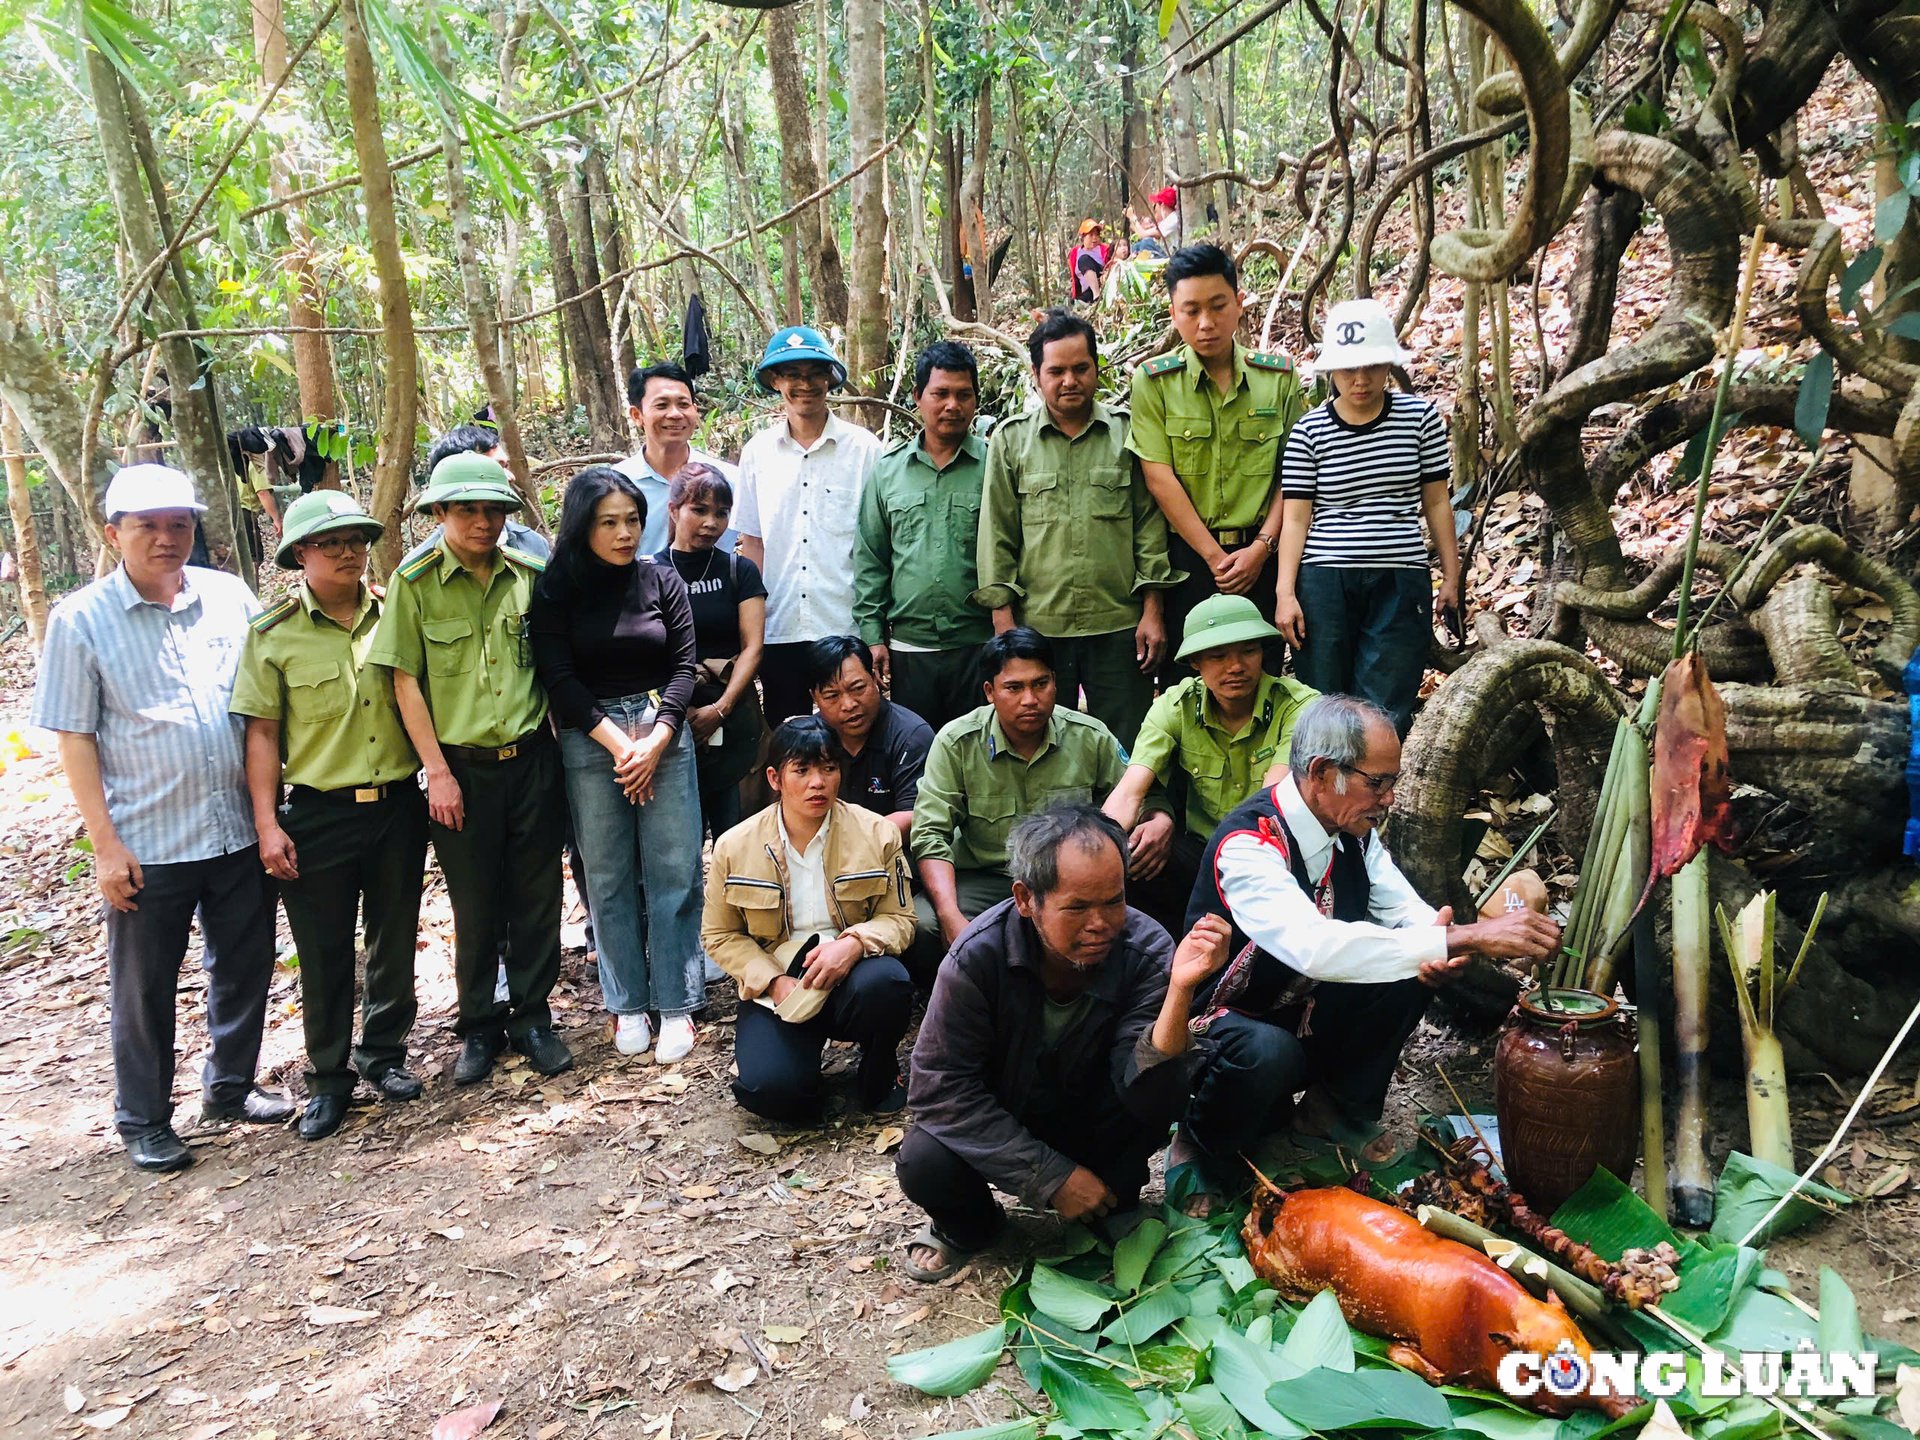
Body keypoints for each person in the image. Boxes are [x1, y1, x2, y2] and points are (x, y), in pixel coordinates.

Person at [1172, 695, 1562, 1202]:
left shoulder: (1352, 830)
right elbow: (1313, 947)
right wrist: (1464, 935)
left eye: (1392, 782)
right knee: (1267, 1051)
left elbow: (1401, 906)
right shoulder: (1248, 844)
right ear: (1320, 772)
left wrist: (1438, 941)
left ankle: (1328, 1112)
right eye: (1377, 782)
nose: (1389, 798)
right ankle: (1200, 1144)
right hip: (1227, 1025)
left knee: (1413, 964)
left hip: (1304, 1005)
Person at [31, 465, 293, 1173]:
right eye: (147, 525)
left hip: (238, 825)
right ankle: (144, 1117)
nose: (166, 538)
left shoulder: (228, 596)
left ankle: (230, 1087)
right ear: (113, 533)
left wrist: (270, 815)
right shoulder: (81, 620)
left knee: (244, 964)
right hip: (149, 839)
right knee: (145, 987)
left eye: (178, 523)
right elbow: (75, 738)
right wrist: (105, 847)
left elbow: (264, 698)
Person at [897, 805, 1233, 1280]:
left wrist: (1180, 991)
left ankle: (1113, 1203)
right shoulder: (978, 956)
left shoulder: (1147, 949)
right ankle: (971, 1227)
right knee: (923, 1159)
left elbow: (1153, 1096)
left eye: (1113, 902)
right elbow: (939, 1089)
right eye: (1076, 908)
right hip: (1007, 1114)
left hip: (1091, 1112)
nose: (1100, 924)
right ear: (1025, 899)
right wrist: (1049, 1175)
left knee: (1155, 1084)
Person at [368, 451, 573, 1086]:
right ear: (439, 513)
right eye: (467, 511)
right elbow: (405, 682)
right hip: (462, 769)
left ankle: (533, 1018)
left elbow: (557, 662)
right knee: (476, 902)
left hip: (534, 756)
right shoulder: (415, 580)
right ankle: (479, 1026)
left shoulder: (531, 571)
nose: (483, 523)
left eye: (494, 510)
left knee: (539, 894)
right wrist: (438, 771)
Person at [230, 491, 428, 1141]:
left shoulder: (394, 615)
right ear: (300, 555)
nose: (346, 552)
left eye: (355, 540)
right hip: (318, 814)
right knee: (323, 953)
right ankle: (328, 1079)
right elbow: (261, 735)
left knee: (393, 940)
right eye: (329, 542)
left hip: (397, 805)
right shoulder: (274, 635)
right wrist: (267, 823)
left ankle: (384, 1056)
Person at [531, 466, 706, 1064]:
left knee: (675, 868)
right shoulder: (556, 588)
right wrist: (617, 744)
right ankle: (627, 1002)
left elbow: (686, 666)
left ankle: (678, 1003)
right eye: (609, 522)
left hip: (664, 730)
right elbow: (558, 677)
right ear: (583, 526)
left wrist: (657, 739)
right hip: (591, 737)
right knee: (606, 875)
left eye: (632, 520)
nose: (625, 533)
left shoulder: (661, 578)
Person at [974, 310, 1181, 748]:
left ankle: (1131, 819)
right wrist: (1004, 624)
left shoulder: (1127, 434)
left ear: (1097, 368)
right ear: (1036, 374)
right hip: (1039, 628)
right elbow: (997, 536)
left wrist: (1153, 609)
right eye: (1057, 371)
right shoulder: (1011, 441)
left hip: (1120, 626)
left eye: (1080, 368)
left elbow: (1149, 526)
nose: (1070, 380)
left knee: (1129, 744)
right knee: (1044, 745)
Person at [701, 716, 917, 1122]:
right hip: (781, 981)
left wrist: (853, 944)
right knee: (773, 1095)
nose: (817, 782)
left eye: (828, 768)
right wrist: (772, 981)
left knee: (888, 983)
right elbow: (719, 933)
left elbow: (901, 918)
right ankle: (800, 1071)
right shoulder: (735, 846)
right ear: (775, 777)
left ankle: (880, 1063)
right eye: (801, 770)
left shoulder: (876, 833)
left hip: (853, 974)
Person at [1276, 297, 1459, 735]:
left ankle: (1375, 798)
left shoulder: (1420, 418)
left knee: (1386, 701)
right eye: (1348, 369)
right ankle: (1323, 798)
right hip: (1325, 578)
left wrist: (1451, 575)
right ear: (1331, 370)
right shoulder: (1309, 431)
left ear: (1389, 365)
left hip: (1398, 574)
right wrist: (1286, 593)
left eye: (1373, 367)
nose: (1360, 380)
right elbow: (1297, 517)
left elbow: (1435, 500)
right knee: (1323, 700)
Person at [910, 628, 1156, 950]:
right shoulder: (957, 743)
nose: (1030, 699)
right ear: (990, 691)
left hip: (1070, 879)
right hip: (989, 877)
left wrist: (1158, 817)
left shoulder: (1089, 737)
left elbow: (1140, 794)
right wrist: (949, 915)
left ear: (1055, 682)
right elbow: (929, 833)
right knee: (924, 923)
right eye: (1013, 687)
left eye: (1040, 684)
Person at [1127, 243, 1306, 671]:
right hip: (1188, 563)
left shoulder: (1277, 378)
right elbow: (1159, 479)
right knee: (1188, 687)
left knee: (1260, 683)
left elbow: (1296, 473)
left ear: (1240, 304)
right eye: (1191, 311)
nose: (1206, 323)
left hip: (1264, 560)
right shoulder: (1154, 382)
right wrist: (1214, 558)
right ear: (1173, 313)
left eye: (1218, 306)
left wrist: (1262, 548)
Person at [1102, 594, 1318, 934]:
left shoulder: (1298, 707)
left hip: (1275, 854)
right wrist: (1100, 853)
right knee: (1130, 858)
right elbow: (1129, 791)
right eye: (1218, 656)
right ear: (1195, 663)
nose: (1235, 666)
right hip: (1203, 856)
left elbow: (1270, 806)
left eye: (1248, 651)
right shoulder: (1176, 706)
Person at [736, 326, 882, 724]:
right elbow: (753, 544)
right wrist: (752, 629)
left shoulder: (864, 449)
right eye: (792, 374)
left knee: (853, 729)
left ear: (829, 378)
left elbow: (878, 544)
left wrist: (876, 629)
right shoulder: (757, 453)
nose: (805, 384)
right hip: (780, 626)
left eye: (814, 373)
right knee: (790, 736)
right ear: (775, 381)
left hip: (844, 622)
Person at [853, 341, 993, 732]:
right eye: (941, 394)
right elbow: (870, 559)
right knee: (920, 754)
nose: (952, 405)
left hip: (978, 644)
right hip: (910, 651)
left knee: (980, 753)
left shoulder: (995, 465)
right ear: (918, 397)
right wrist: (873, 636)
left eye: (963, 395)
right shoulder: (888, 472)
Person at [656, 462, 767, 840]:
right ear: (674, 510)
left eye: (721, 513)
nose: (711, 523)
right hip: (668, 719)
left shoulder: (739, 571)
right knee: (678, 838)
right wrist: (674, 711)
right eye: (699, 510)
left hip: (732, 715)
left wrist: (721, 709)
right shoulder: (649, 572)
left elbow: (753, 646)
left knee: (735, 832)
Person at [806, 636, 934, 841]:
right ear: (815, 698)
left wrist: (848, 841)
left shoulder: (911, 736)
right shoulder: (809, 736)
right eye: (832, 696)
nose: (848, 705)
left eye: (858, 688)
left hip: (894, 853)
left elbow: (914, 814)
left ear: (875, 678)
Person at [617, 361, 739, 557]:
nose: (675, 414)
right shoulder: (618, 485)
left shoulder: (729, 480)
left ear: (695, 411)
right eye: (662, 405)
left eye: (683, 404)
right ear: (637, 415)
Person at [406, 426, 549, 563]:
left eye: (505, 466)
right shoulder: (417, 567)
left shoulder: (532, 545)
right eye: (495, 468)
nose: (510, 477)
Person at [1129, 187, 1181, 257]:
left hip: (1172, 256)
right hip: (1169, 253)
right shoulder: (1170, 219)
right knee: (1136, 246)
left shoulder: (1173, 219)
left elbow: (1143, 235)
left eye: (1156, 205)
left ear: (1162, 205)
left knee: (1146, 243)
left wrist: (1133, 217)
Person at [1068, 219, 1111, 303]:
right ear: (1083, 237)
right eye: (1091, 235)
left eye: (1096, 234)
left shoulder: (1104, 249)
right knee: (1073, 303)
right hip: (1087, 291)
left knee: (1084, 260)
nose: (1094, 238)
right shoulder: (1075, 253)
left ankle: (1097, 296)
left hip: (1101, 283)